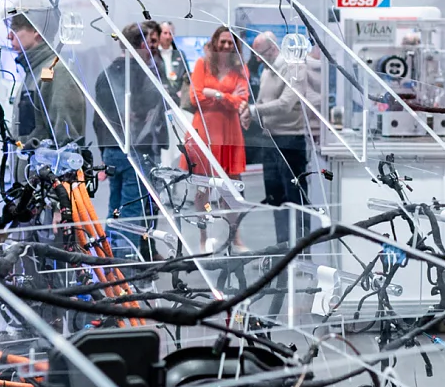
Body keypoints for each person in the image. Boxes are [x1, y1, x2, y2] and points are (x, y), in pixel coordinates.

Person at [92, 21, 170, 254]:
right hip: (135, 151)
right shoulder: (141, 75)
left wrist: (104, 154)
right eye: (151, 43)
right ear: (140, 44)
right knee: (133, 213)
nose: (154, 48)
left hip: (115, 151)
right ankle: (127, 270)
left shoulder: (106, 74)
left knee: (115, 209)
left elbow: (99, 121)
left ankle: (112, 263)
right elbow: (151, 107)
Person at [186, 25, 252, 251]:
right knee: (203, 189)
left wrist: (214, 94)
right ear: (215, 43)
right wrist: (227, 97)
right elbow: (195, 98)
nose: (225, 46)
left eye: (229, 42)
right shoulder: (202, 64)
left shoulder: (241, 69)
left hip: (229, 133)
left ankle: (235, 237)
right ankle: (204, 237)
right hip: (204, 131)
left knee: (230, 189)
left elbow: (241, 101)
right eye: (222, 41)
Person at [249, 32, 313, 247]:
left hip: (290, 142)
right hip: (270, 141)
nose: (258, 59)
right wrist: (249, 114)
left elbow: (286, 104)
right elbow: (260, 102)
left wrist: (253, 110)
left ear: (273, 48)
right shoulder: (267, 71)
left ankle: (302, 252)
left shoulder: (294, 68)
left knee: (296, 199)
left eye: (260, 53)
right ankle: (282, 250)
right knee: (276, 199)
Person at [8, 12, 87, 145]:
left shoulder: (57, 73)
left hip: (44, 166)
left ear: (36, 31)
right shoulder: (33, 73)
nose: (9, 36)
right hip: (29, 165)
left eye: (15, 29)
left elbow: (68, 143)